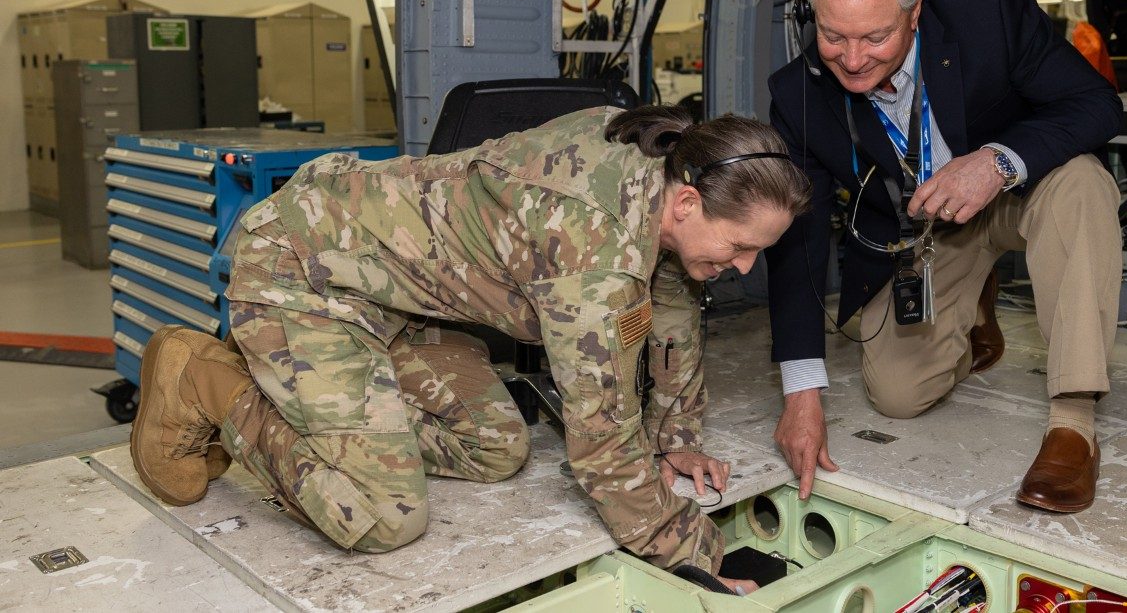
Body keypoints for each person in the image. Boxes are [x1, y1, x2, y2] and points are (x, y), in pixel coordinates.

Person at [129, 104, 809, 593]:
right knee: (381, 513)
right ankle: (209, 380)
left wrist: (676, 434)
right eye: (741, 246)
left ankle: (346, 408)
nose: (746, 266)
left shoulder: (656, 162)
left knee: (496, 445)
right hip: (303, 268)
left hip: (389, 291)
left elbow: (671, 307)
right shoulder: (591, 253)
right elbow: (603, 447)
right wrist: (704, 554)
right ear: (687, 204)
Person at [765, 0, 1123, 514]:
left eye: (875, 37)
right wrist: (801, 393)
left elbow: (1096, 104)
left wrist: (996, 163)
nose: (852, 61)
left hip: (1017, 196)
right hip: (924, 232)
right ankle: (974, 307)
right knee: (898, 396)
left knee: (1083, 181)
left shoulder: (989, 10)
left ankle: (1073, 422)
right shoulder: (796, 93)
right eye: (833, 36)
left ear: (915, 9)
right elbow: (797, 241)